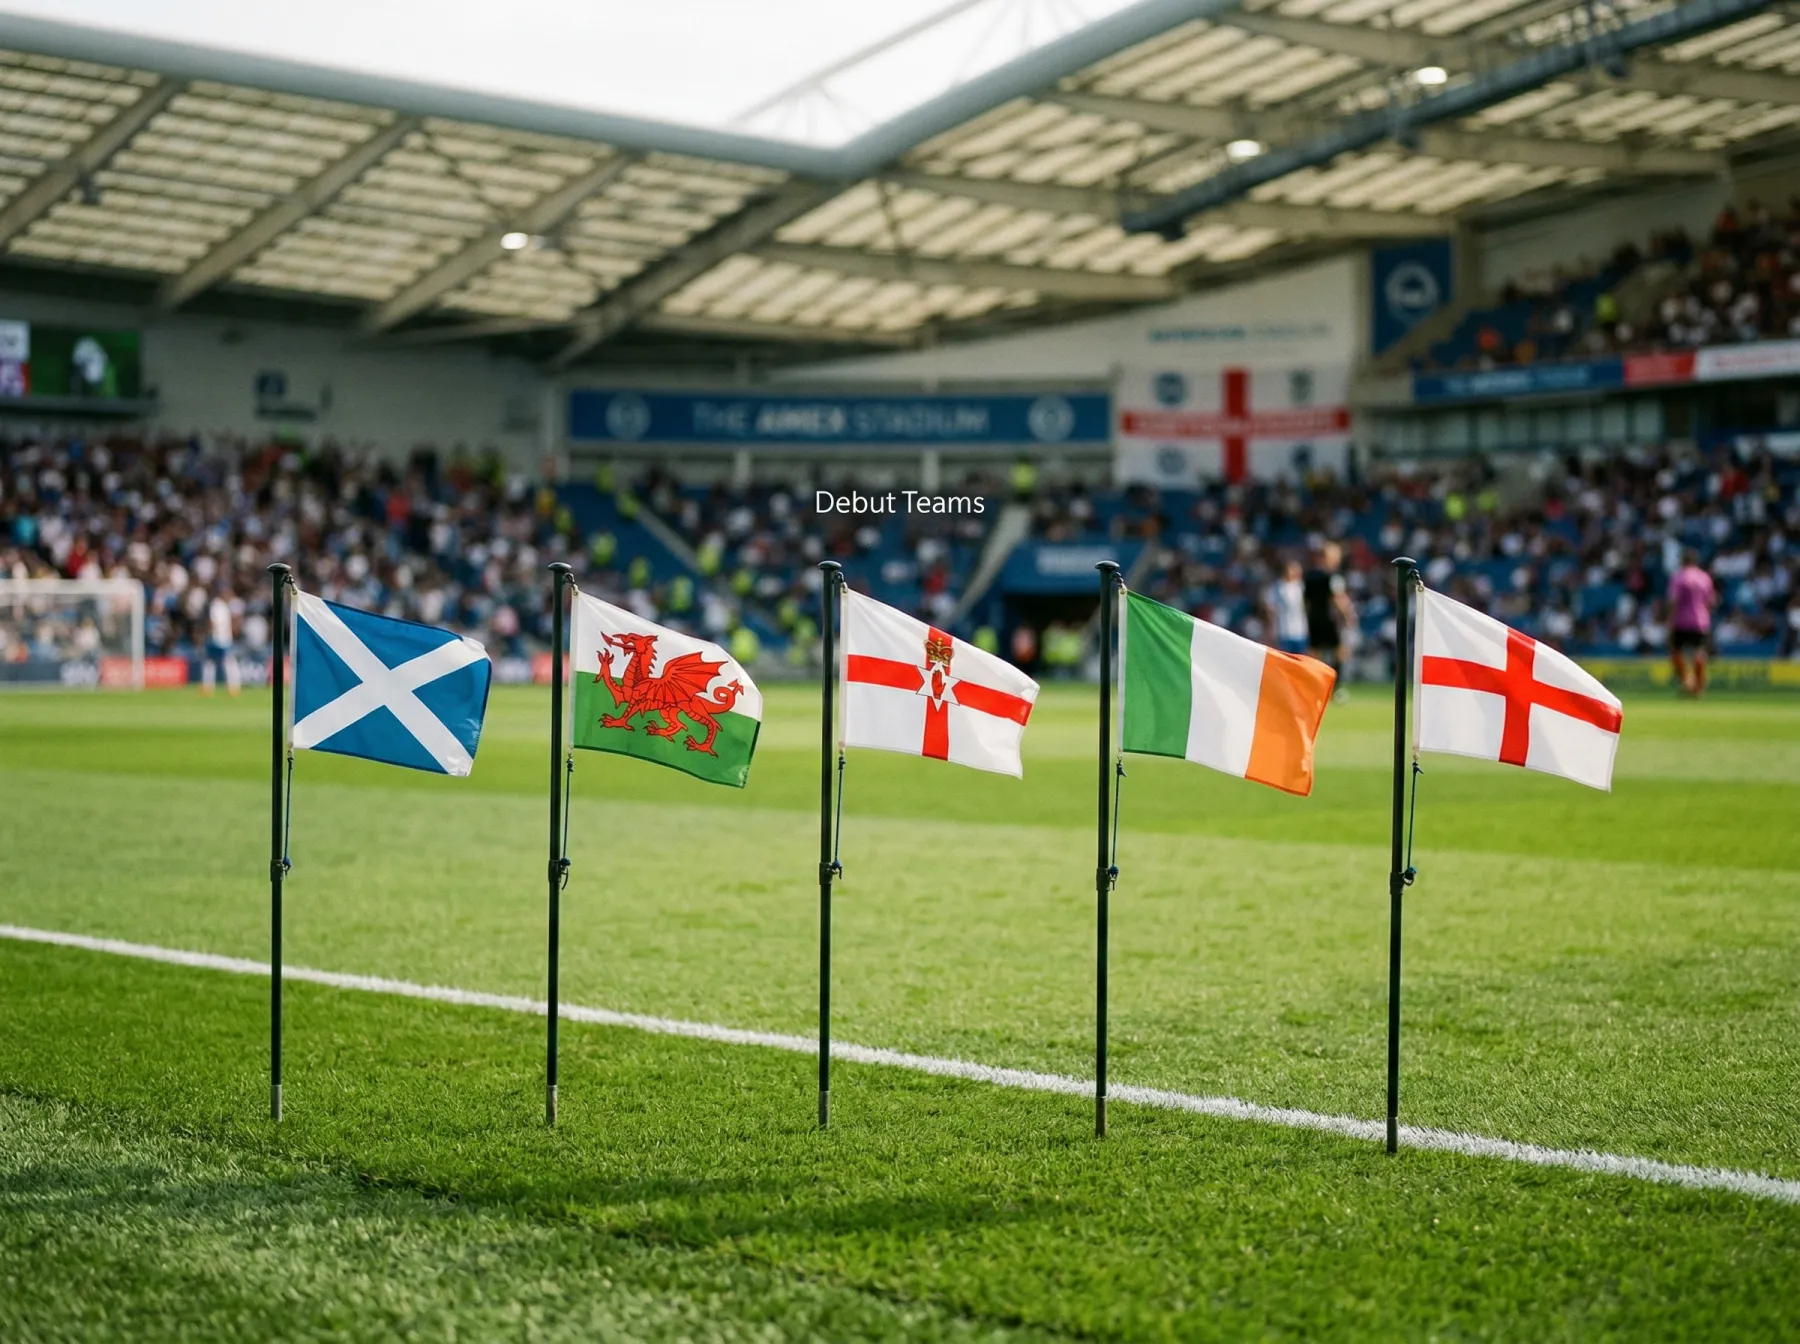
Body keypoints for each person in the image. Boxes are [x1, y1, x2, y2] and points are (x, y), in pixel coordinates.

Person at [1304, 541, 1355, 697]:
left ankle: (1314, 687)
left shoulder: (1309, 576)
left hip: (1313, 620)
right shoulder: (1333, 577)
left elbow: (1305, 601)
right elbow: (1338, 598)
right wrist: (1348, 616)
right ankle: (1334, 688)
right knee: (1340, 652)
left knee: (1314, 654)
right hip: (1330, 620)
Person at [1667, 548, 1717, 696]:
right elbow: (1712, 601)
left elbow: (1673, 601)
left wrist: (1669, 620)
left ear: (1683, 561)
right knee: (1699, 652)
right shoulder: (1705, 577)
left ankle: (1686, 683)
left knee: (1676, 652)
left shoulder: (1679, 577)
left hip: (1680, 620)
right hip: (1701, 621)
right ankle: (1699, 686)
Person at [200, 585, 240, 698]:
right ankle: (231, 687)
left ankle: (209, 687)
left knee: (212, 663)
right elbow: (213, 622)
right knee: (225, 663)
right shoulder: (217, 605)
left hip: (221, 638)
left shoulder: (222, 605)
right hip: (219, 639)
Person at [1268, 559, 1309, 655]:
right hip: (1284, 631)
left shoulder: (1302, 587)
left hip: (1301, 631)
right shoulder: (1278, 587)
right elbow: (1271, 608)